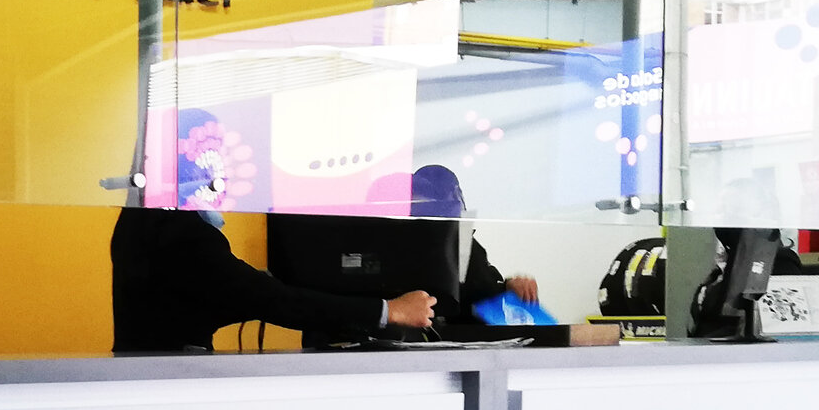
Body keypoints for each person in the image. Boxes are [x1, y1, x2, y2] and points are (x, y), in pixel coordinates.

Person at [109, 205, 437, 352]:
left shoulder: (146, 220)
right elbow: (267, 300)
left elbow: (217, 295)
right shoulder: (177, 229)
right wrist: (389, 311)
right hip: (169, 380)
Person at [411, 164, 539, 317]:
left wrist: (508, 287)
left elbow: (479, 288)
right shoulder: (435, 243)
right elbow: (469, 297)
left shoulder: (465, 244)